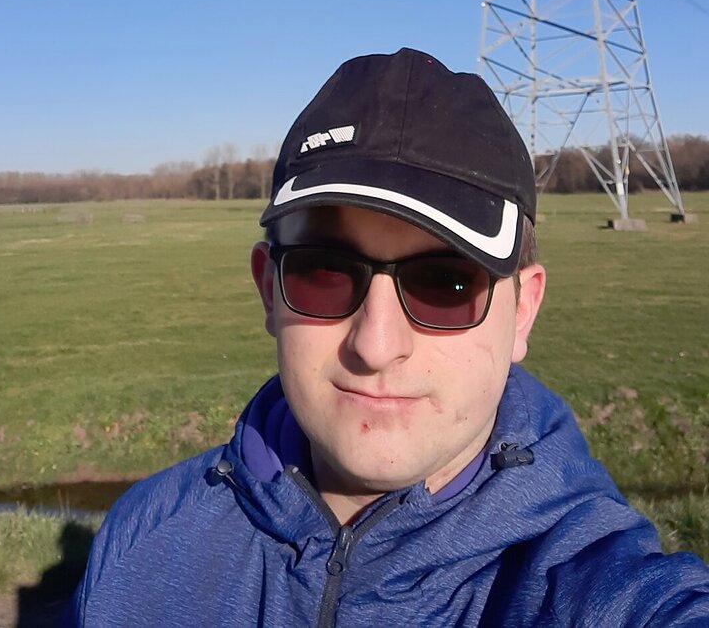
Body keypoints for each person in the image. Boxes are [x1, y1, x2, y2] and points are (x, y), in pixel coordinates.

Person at [63, 48, 709, 626]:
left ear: (523, 311)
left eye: (446, 283)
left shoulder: (589, 586)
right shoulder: (141, 545)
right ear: (269, 291)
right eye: (323, 272)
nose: (375, 346)